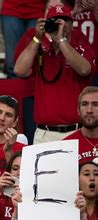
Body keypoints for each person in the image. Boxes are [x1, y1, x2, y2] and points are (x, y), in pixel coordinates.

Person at [14, 3, 95, 144]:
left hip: (75, 131)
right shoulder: (41, 47)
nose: (59, 25)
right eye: (54, 20)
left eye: (63, 20)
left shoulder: (79, 40)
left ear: (71, 24)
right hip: (44, 133)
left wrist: (61, 40)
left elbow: (84, 69)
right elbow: (19, 70)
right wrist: (37, 38)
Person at [0, 0, 45, 78]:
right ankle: (13, 88)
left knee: (34, 59)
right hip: (11, 8)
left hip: (38, 9)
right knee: (12, 62)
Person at [64, 86, 98, 160]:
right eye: (84, 104)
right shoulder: (65, 146)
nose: (89, 110)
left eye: (95, 105)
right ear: (78, 110)